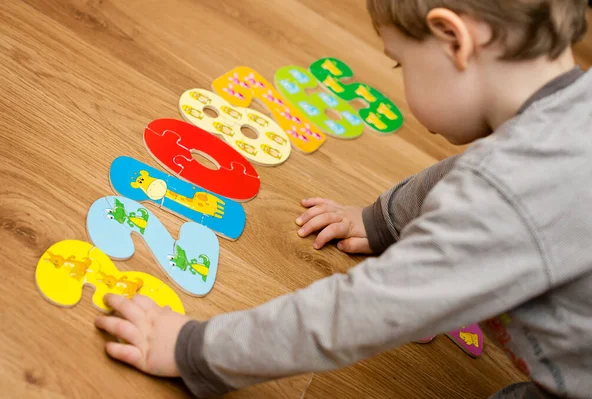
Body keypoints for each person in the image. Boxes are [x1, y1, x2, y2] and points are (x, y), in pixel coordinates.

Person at [94, 1, 592, 398]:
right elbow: (477, 173)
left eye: (402, 62)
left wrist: (195, 352)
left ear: (453, 40)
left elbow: (363, 313)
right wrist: (384, 220)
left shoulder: (507, 195)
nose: (402, 79)